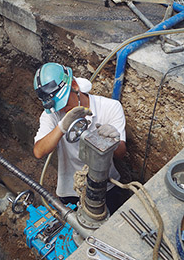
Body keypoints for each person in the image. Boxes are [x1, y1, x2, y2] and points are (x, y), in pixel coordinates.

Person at [32, 62, 128, 214]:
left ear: (75, 85)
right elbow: (39, 151)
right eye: (58, 107)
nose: (63, 109)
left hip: (107, 184)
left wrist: (113, 142)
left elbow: (121, 154)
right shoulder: (53, 116)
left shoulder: (110, 107)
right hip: (71, 188)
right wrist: (62, 126)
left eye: (64, 103)